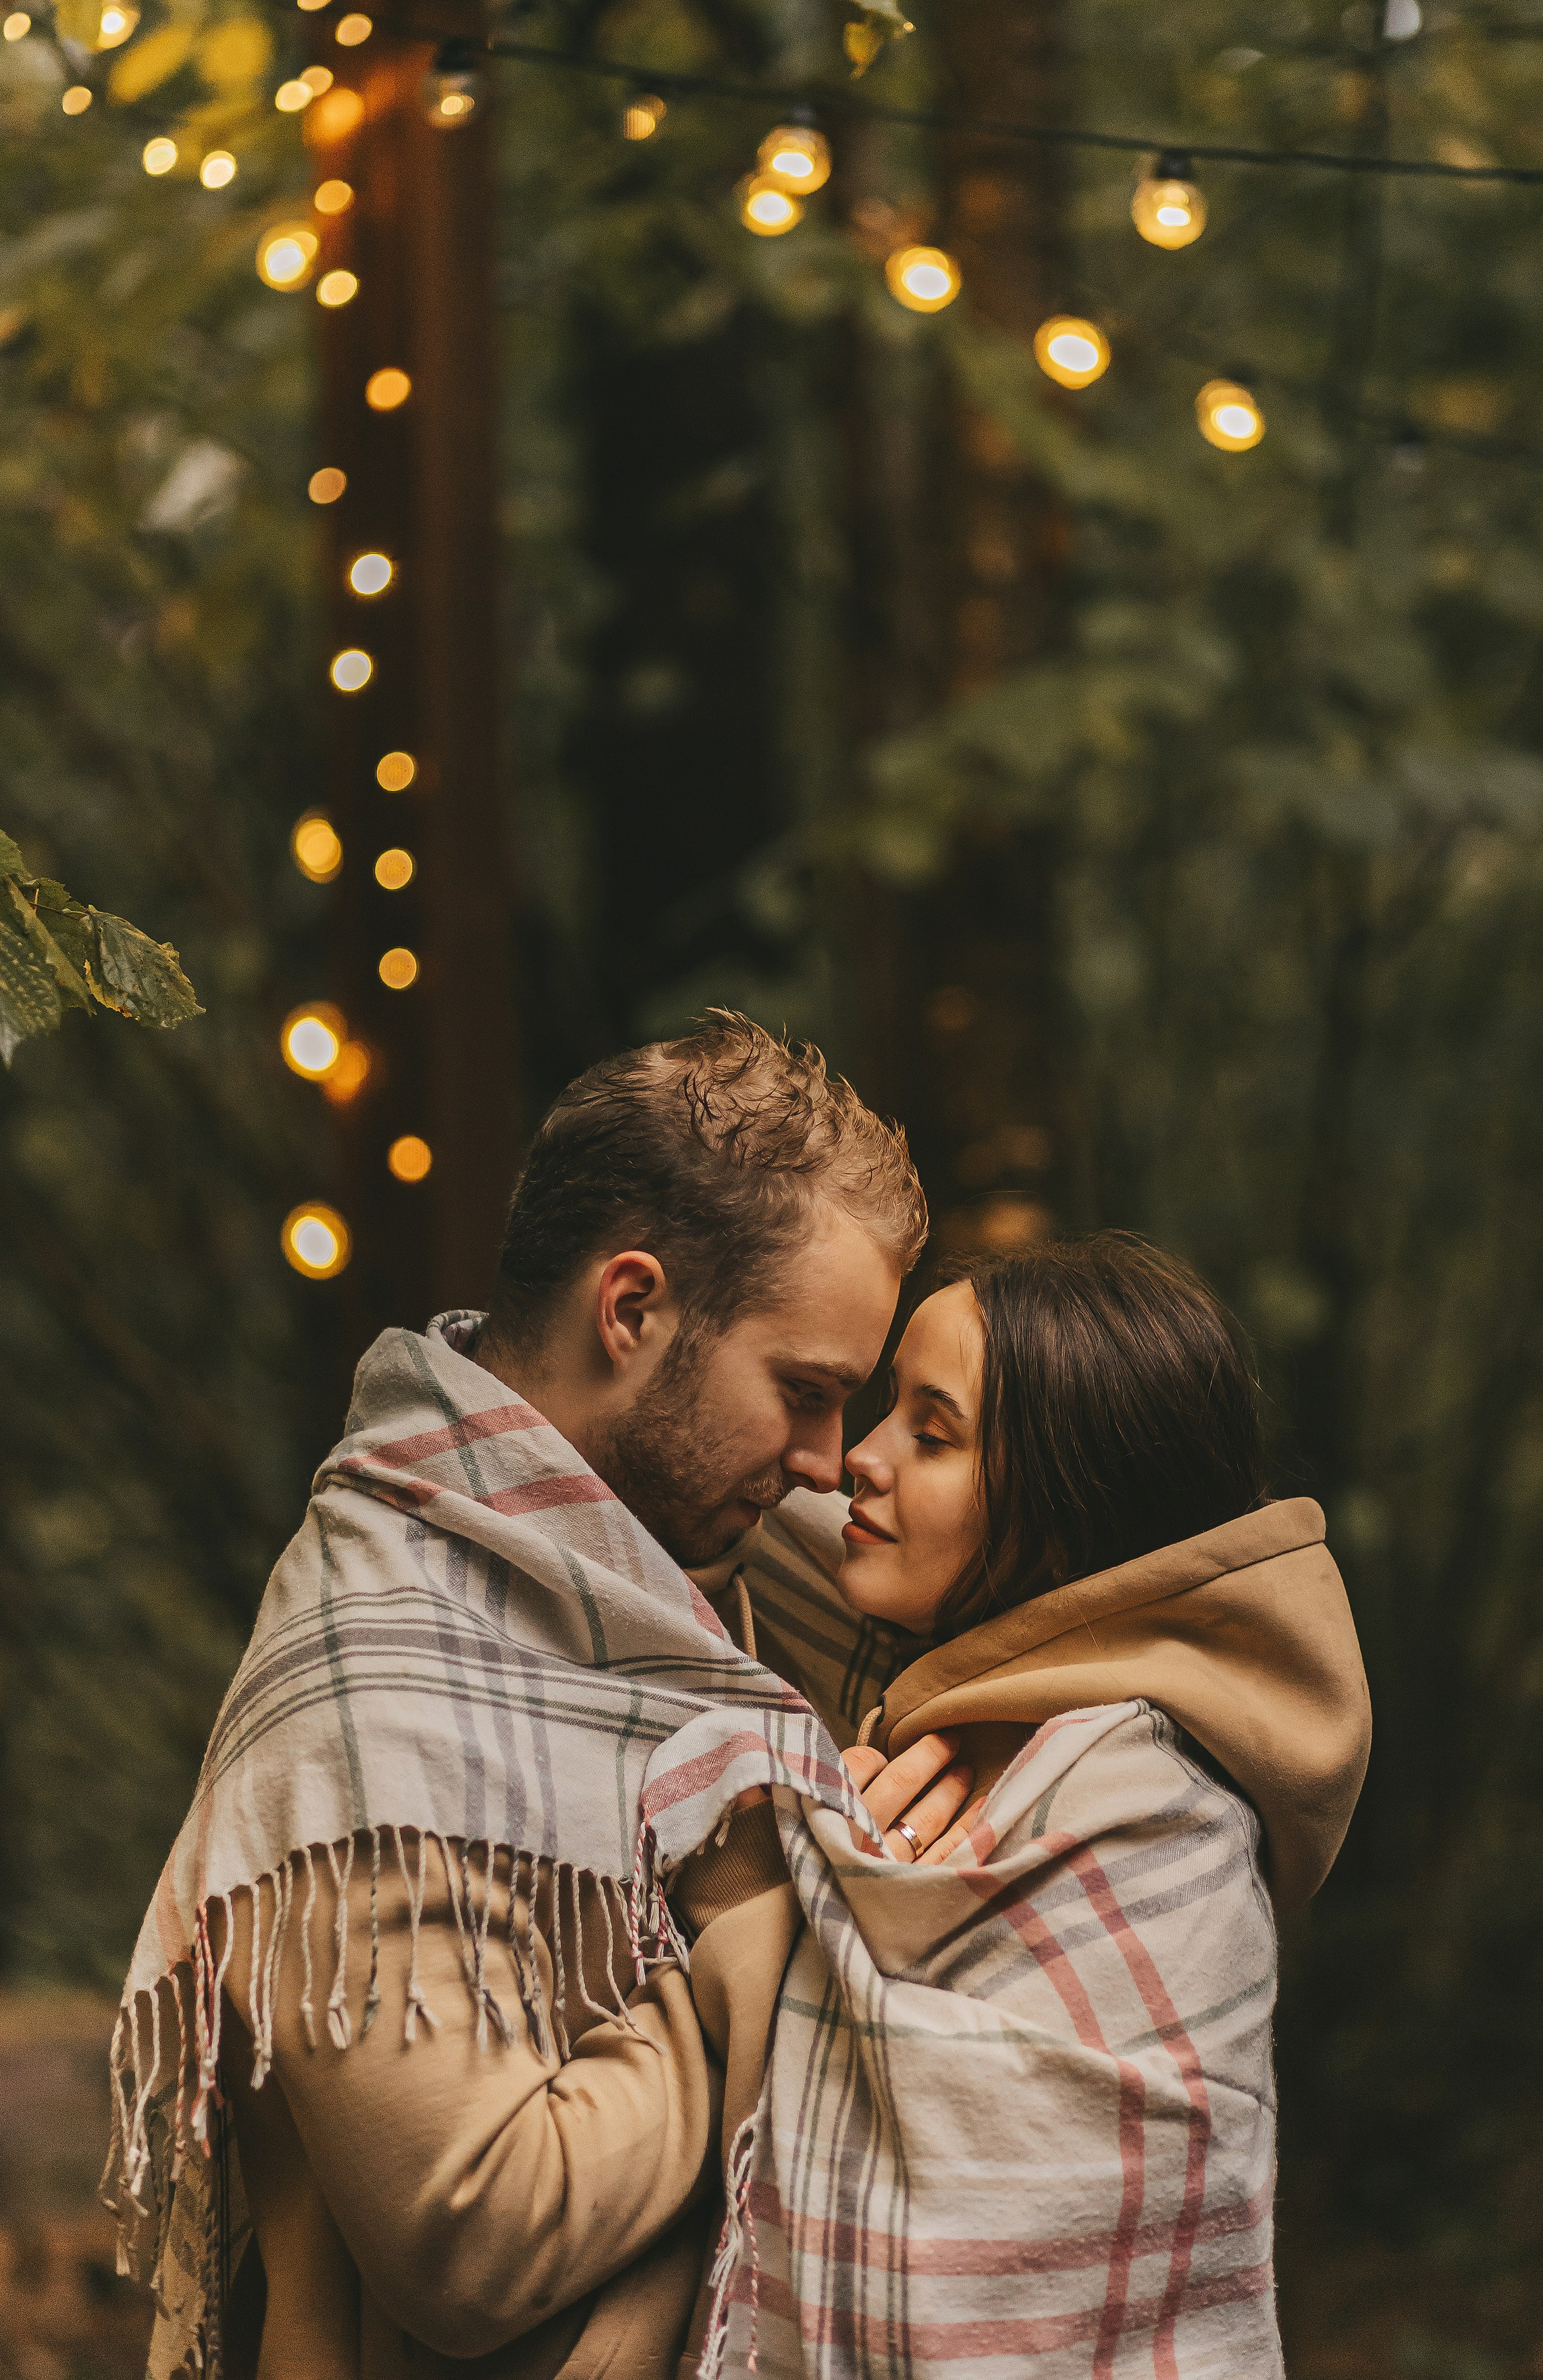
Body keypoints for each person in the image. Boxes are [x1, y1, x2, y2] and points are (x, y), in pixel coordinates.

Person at [102, 1012, 935, 2380]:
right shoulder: (366, 1691)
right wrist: (788, 1922)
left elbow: (1119, 1612)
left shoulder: (692, 1557)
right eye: (803, 1392)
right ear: (630, 1309)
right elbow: (469, 2231)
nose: (826, 1462)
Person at [642, 1233, 1373, 2379]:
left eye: (931, 1434)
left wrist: (775, 1883)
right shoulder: (941, 1682)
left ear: (1072, 1513)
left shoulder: (1156, 1805)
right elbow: (695, 1497)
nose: (856, 1464)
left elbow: (1011, 2268)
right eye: (884, 1411)